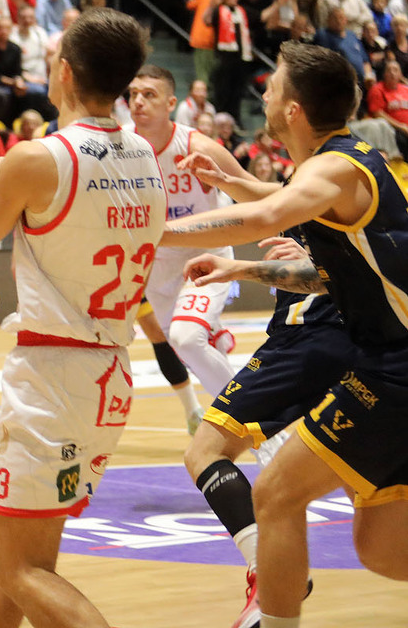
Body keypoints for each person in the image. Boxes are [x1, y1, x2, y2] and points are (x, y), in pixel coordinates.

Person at [163, 42, 408, 628]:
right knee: (381, 548)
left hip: (394, 369)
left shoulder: (335, 169)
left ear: (293, 109)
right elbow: (314, 257)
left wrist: (149, 231)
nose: (266, 96)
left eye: (272, 89)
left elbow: (266, 217)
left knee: (274, 493)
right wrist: (241, 259)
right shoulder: (338, 164)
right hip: (385, 360)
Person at [0, 7, 164, 628]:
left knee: (19, 567)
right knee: (6, 559)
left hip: (52, 376)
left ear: (65, 71)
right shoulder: (145, 154)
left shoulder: (37, 159)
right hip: (109, 374)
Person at [125, 64, 247, 426]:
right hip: (157, 270)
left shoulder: (198, 145)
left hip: (205, 259)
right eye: (133, 94)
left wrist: (223, 182)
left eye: (149, 94)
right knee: (186, 345)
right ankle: (218, 338)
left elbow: (251, 191)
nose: (138, 101)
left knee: (186, 338)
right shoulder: (119, 150)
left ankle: (254, 428)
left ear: (171, 104)